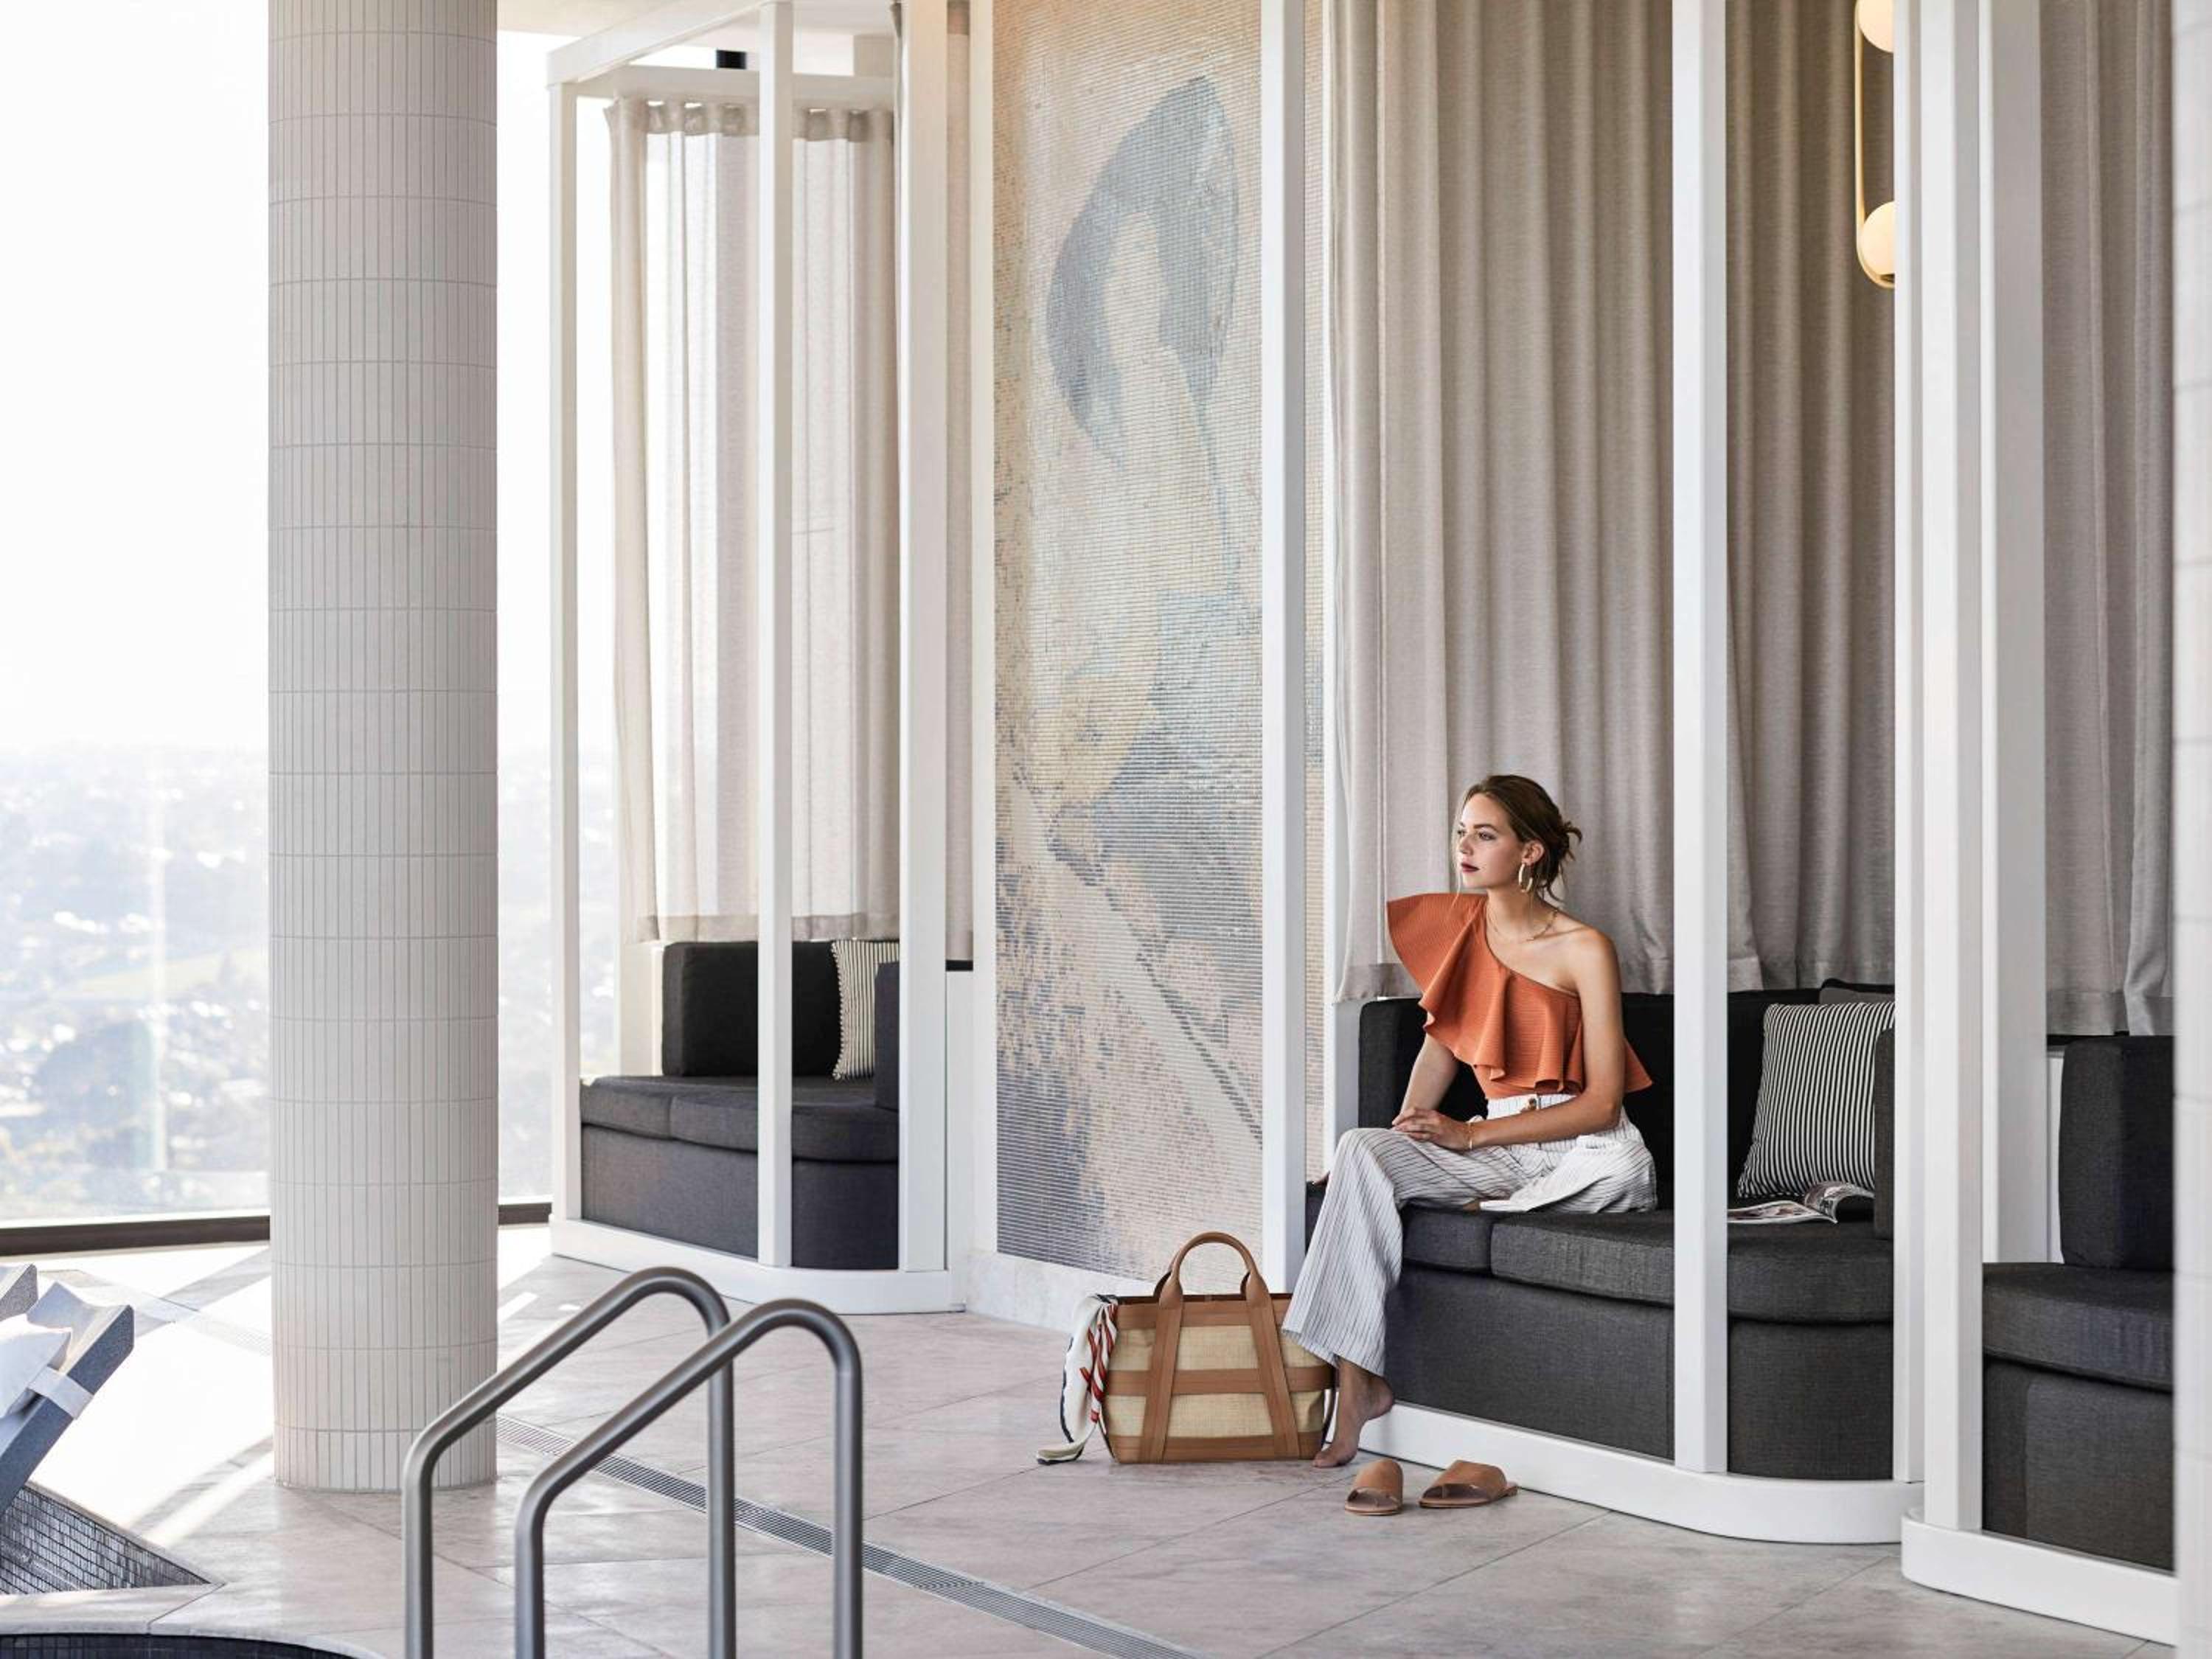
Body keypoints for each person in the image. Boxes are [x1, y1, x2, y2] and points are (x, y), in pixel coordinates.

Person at [1283, 775, 1658, 1470]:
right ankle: (1357, 1381)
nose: (1465, 847)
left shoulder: (1584, 948)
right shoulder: (1461, 929)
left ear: (1529, 852)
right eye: (1462, 832)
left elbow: (1605, 1104)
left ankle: (1499, 1203)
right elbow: (1440, 1049)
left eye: (1485, 835)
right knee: (1360, 1149)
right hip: (1500, 1145)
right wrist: (1393, 1149)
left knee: (1626, 1165)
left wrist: (1471, 1135)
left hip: (1582, 1146)